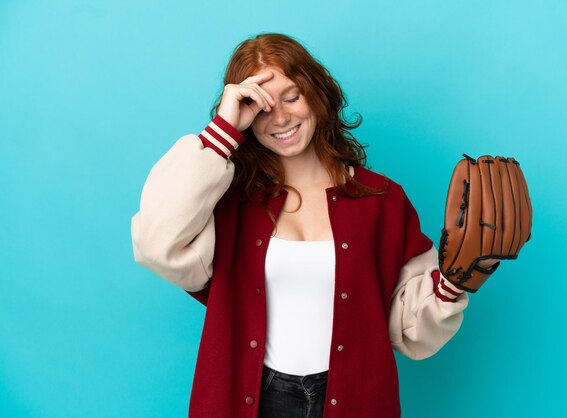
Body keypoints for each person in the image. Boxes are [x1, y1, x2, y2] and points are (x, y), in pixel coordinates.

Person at [131, 32, 496, 418]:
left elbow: (409, 330)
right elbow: (158, 243)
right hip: (251, 399)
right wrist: (224, 129)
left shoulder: (381, 200)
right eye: (262, 107)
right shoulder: (229, 201)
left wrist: (453, 283)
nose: (282, 117)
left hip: (353, 401)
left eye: (292, 97)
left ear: (318, 93)